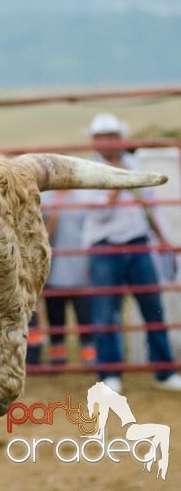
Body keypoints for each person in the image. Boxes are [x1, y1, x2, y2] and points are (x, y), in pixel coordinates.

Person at [81, 112, 181, 393]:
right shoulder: (89, 171)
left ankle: (164, 371)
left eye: (112, 136)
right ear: (94, 141)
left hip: (138, 243)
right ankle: (109, 373)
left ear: (120, 139)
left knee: (152, 307)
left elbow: (151, 208)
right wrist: (115, 188)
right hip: (105, 245)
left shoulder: (134, 165)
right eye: (102, 137)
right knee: (106, 312)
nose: (108, 142)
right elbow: (94, 211)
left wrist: (163, 239)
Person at [41, 188, 96, 366]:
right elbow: (41, 237)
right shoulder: (44, 199)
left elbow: (91, 232)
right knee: (55, 317)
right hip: (54, 272)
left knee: (86, 317)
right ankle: (58, 356)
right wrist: (53, 216)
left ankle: (90, 357)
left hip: (82, 270)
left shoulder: (83, 197)